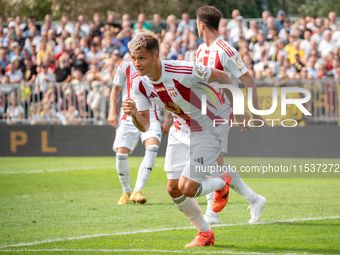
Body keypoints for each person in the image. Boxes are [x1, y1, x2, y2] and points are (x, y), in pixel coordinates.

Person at [124, 29, 245, 247]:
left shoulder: (182, 69)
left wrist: (238, 108)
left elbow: (222, 76)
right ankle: (205, 234)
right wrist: (133, 114)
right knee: (173, 188)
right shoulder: (138, 83)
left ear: (156, 56)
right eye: (133, 58)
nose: (137, 63)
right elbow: (145, 126)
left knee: (188, 187)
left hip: (208, 127)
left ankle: (222, 182)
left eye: (142, 58)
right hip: (180, 128)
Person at [195, 6, 267, 224]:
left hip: (220, 113)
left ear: (202, 25)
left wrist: (253, 112)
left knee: (208, 161)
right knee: (214, 164)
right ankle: (253, 199)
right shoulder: (200, 50)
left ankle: (213, 214)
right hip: (202, 112)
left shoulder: (225, 50)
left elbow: (248, 79)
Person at [108, 58, 172, 204]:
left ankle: (137, 190)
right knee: (121, 155)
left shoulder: (159, 64)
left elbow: (167, 91)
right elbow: (116, 89)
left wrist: (168, 119)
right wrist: (112, 111)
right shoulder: (125, 64)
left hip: (152, 113)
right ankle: (126, 191)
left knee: (153, 148)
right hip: (128, 114)